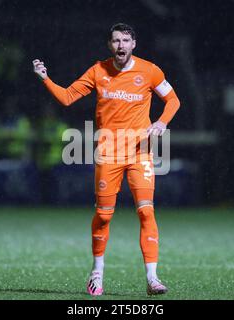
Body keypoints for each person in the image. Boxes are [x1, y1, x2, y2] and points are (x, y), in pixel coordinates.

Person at [32, 23, 180, 296]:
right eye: (115, 41)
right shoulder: (98, 71)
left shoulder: (150, 71)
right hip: (108, 152)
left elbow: (173, 101)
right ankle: (97, 272)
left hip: (140, 151)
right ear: (109, 45)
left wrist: (160, 122)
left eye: (125, 40)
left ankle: (152, 278)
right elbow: (67, 97)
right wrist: (45, 78)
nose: (121, 45)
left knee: (146, 211)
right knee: (103, 215)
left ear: (134, 43)